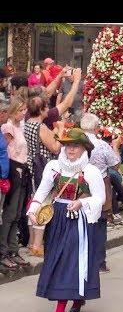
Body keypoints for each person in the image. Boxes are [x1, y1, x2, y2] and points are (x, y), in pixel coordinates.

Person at [27, 128, 106, 312]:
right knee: (56, 257)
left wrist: (82, 203)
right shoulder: (54, 167)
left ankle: (60, 308)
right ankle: (78, 296)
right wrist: (33, 209)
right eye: (68, 145)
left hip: (79, 219)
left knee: (70, 259)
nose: (71, 149)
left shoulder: (91, 171)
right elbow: (42, 191)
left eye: (76, 146)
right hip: (57, 218)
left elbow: (100, 198)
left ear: (83, 148)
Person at [80, 113, 123, 272]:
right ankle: (99, 262)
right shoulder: (102, 145)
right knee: (99, 225)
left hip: (79, 185)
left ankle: (82, 260)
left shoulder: (75, 143)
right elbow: (116, 166)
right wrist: (116, 147)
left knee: (80, 222)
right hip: (99, 185)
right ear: (96, 128)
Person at [24, 96, 65, 257]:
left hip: (32, 167)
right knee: (43, 203)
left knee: (33, 202)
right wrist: (61, 129)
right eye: (46, 108)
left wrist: (53, 132)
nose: (48, 110)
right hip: (42, 167)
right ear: (41, 111)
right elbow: (55, 148)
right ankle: (37, 244)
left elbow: (44, 139)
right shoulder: (40, 126)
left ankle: (31, 242)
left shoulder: (29, 124)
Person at [0, 99, 29, 271]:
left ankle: (13, 249)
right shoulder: (8, 128)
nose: (24, 112)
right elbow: (6, 151)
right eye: (20, 110)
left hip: (21, 169)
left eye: (25, 109)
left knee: (18, 213)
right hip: (13, 169)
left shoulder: (18, 126)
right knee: (9, 214)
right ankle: (5, 251)